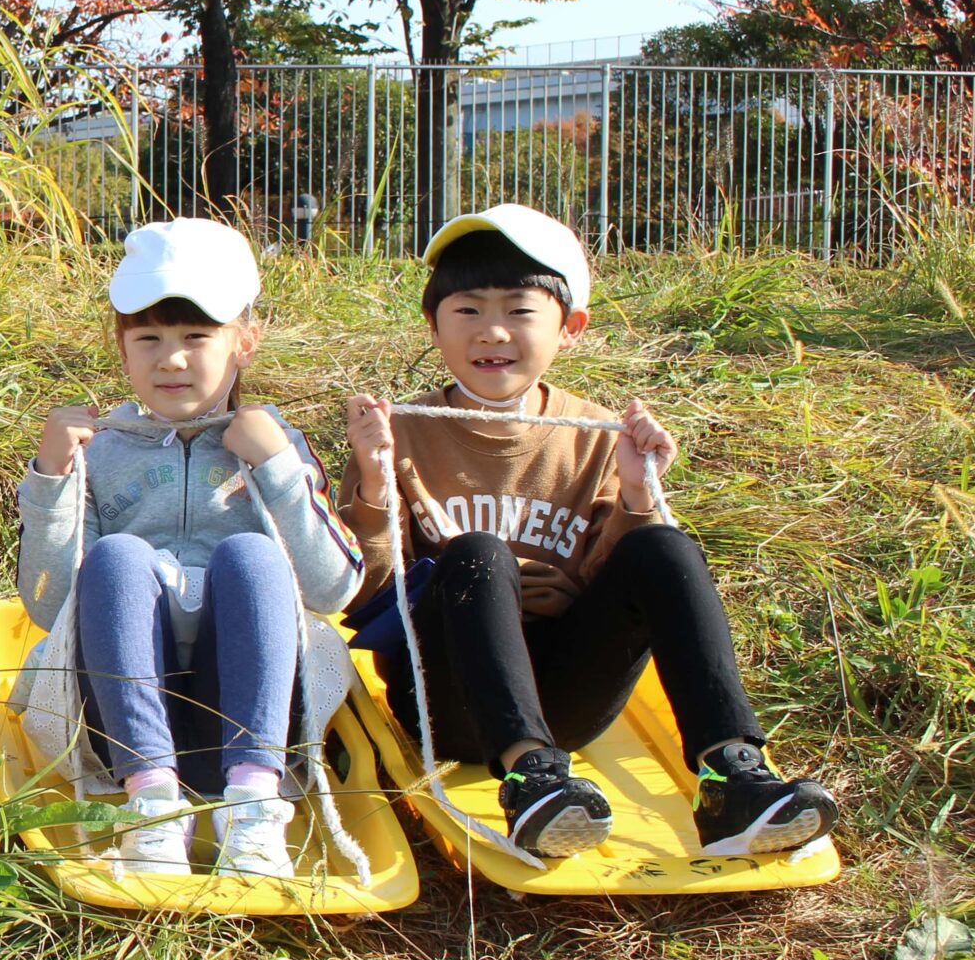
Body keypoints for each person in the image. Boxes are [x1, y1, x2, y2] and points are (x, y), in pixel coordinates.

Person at [339, 204, 838, 858]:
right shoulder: (398, 434)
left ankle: (732, 775)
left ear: (570, 327)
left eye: (520, 310)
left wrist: (637, 491)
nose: (492, 331)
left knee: (663, 544)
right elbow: (363, 594)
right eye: (467, 310)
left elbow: (620, 582)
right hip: (448, 693)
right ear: (433, 323)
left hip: (567, 691)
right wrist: (376, 485)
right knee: (479, 553)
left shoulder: (595, 432)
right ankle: (530, 781)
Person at [11, 219, 362, 877]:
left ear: (244, 343)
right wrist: (51, 479)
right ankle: (153, 812)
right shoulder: (101, 450)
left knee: (253, 558)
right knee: (116, 559)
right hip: (122, 737)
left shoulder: (274, 442)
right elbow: (48, 603)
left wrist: (279, 471)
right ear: (122, 348)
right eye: (149, 338)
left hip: (246, 722)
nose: (171, 359)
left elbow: (333, 589)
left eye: (196, 337)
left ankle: (253, 807)